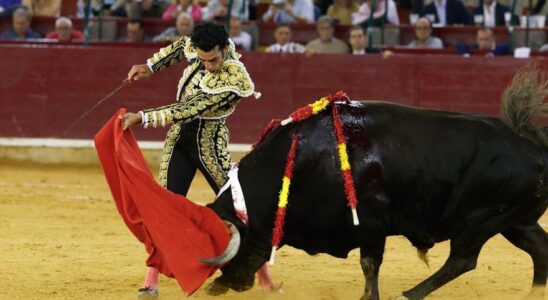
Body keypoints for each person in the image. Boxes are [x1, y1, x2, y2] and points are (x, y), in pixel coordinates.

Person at [121, 21, 258, 299]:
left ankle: (261, 273)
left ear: (224, 50)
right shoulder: (197, 46)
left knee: (236, 206)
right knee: (164, 208)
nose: (208, 65)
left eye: (214, 60)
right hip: (180, 138)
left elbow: (189, 108)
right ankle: (151, 281)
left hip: (209, 141)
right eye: (203, 59)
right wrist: (150, 67)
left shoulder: (234, 76)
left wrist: (143, 117)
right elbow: (178, 48)